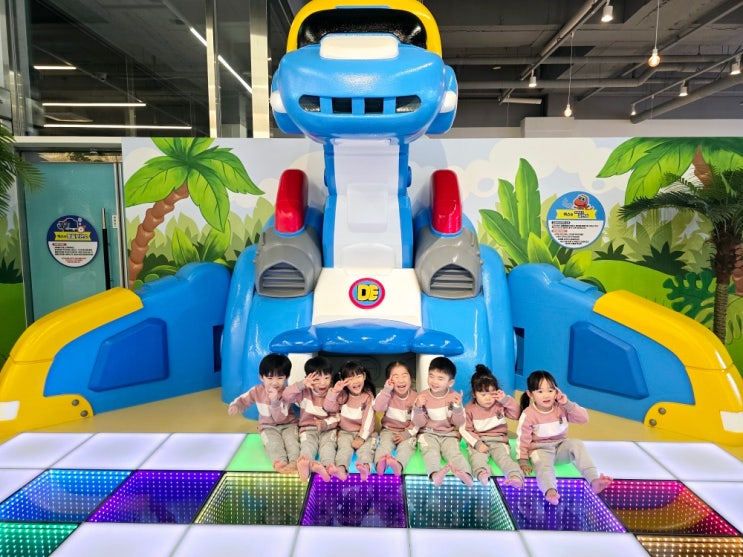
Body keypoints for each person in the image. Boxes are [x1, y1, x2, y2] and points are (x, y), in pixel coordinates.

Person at [516, 369, 613, 505]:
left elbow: (584, 419)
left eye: (550, 390)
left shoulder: (561, 407)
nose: (546, 395)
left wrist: (567, 403)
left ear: (557, 391)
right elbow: (522, 438)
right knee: (543, 466)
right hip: (540, 450)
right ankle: (550, 490)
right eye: (540, 391)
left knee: (576, 443)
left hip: (560, 448)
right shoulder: (529, 414)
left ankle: (594, 480)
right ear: (530, 394)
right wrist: (523, 460)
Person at [227, 353, 299, 474]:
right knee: (273, 444)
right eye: (270, 378)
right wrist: (236, 406)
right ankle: (280, 462)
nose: (275, 382)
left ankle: (294, 463)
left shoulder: (287, 393)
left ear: (287, 377)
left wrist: (275, 401)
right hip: (267, 427)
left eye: (280, 378)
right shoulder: (257, 391)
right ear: (261, 377)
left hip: (288, 424)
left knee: (292, 442)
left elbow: (280, 418)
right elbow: (244, 399)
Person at [412, 356, 473, 486]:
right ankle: (435, 474)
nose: (434, 381)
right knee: (430, 452)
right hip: (428, 433)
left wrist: (457, 408)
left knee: (454, 453)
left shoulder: (454, 397)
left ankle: (466, 475)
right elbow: (419, 423)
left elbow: (458, 423)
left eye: (440, 378)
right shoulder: (422, 397)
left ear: (450, 383)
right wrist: (418, 407)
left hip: (448, 434)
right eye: (431, 376)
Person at [461, 364, 524, 487]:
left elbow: (517, 415)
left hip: (499, 441)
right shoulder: (469, 409)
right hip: (479, 441)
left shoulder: (500, 404)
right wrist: (477, 444)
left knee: (504, 459)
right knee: (476, 458)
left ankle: (515, 476)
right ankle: (482, 474)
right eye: (483, 394)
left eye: (491, 394)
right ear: (474, 394)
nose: (488, 398)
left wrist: (505, 400)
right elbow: (465, 430)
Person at [282, 355, 339, 482]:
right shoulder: (304, 392)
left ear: (331, 377)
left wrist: (325, 424)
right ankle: (305, 466)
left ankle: (326, 467)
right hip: (307, 429)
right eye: (317, 379)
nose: (322, 383)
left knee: (328, 447)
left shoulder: (334, 393)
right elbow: (286, 396)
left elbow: (337, 416)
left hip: (328, 429)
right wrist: (302, 384)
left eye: (326, 378)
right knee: (307, 446)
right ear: (308, 378)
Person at [323, 360, 377, 481]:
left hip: (364, 433)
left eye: (358, 376)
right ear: (344, 381)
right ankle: (341, 470)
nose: (355, 381)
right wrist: (335, 391)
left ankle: (365, 468)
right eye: (350, 378)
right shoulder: (342, 395)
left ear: (364, 376)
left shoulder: (368, 396)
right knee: (344, 449)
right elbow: (328, 407)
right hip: (345, 432)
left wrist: (361, 438)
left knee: (366, 449)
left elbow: (369, 420)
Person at [373, 361, 418, 476]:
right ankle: (379, 465)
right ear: (389, 380)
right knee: (384, 445)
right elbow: (377, 407)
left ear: (411, 378)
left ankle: (398, 465)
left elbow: (418, 422)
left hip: (407, 431)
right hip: (389, 430)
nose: (401, 380)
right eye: (396, 376)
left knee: (407, 447)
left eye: (404, 375)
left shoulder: (416, 398)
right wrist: (386, 390)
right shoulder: (386, 394)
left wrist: (406, 435)